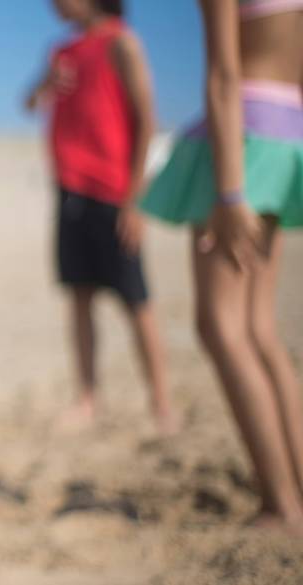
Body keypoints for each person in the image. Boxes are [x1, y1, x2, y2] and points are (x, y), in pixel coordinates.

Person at [141, 0, 303, 532]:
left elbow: (224, 76)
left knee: (221, 327)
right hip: (286, 133)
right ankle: (295, 487)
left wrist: (230, 193)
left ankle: (281, 504)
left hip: (241, 141)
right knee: (259, 329)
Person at [25, 0, 175, 433]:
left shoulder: (122, 43)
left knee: (135, 300)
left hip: (113, 192)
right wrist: (45, 83)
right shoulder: (61, 51)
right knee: (79, 296)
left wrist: (135, 200)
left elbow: (146, 120)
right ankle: (88, 399)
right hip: (69, 191)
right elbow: (30, 103)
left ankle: (162, 403)